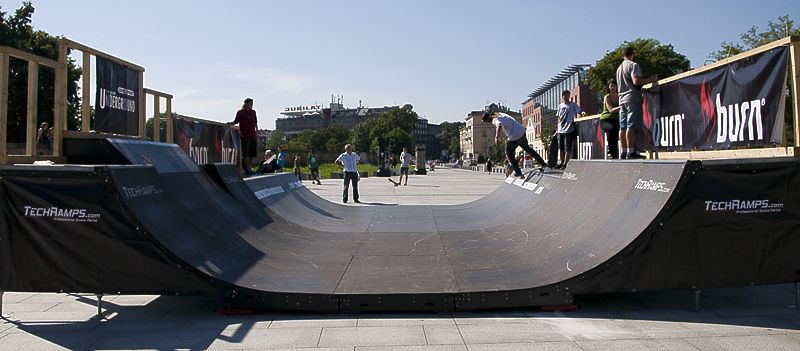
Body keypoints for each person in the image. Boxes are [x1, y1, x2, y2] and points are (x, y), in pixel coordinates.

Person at [616, 46, 658, 159]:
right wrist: (652, 79)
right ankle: (631, 151)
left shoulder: (619, 68)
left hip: (622, 100)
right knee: (631, 125)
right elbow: (636, 81)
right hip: (632, 98)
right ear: (632, 54)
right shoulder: (633, 65)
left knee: (623, 127)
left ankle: (623, 151)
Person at [482, 110, 547, 178]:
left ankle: (517, 171)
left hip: (514, 136)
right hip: (521, 132)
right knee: (528, 149)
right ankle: (543, 163)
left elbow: (499, 125)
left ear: (488, 119)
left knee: (508, 152)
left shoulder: (494, 119)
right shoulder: (501, 114)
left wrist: (496, 137)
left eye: (487, 121)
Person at [556, 90, 586, 169]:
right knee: (561, 148)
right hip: (560, 129)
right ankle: (561, 162)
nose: (566, 97)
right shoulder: (560, 106)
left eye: (568, 95)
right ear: (562, 97)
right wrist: (557, 129)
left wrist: (582, 113)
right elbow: (558, 118)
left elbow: (579, 110)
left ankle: (565, 163)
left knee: (567, 147)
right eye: (565, 95)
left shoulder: (572, 105)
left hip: (569, 129)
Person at [227, 98, 258, 174]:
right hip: (245, 135)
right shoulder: (240, 112)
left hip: (253, 134)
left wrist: (257, 130)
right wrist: (230, 123)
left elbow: (255, 122)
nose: (252, 105)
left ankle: (249, 166)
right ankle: (247, 168)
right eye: (250, 104)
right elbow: (236, 121)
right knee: (246, 152)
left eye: (252, 104)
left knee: (252, 152)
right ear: (246, 104)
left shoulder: (253, 112)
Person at [599, 79, 621, 159]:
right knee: (611, 129)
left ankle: (616, 153)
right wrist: (622, 107)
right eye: (611, 86)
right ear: (608, 87)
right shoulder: (607, 97)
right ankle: (610, 151)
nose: (613, 87)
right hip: (606, 120)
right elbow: (611, 110)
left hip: (616, 120)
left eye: (614, 85)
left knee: (619, 130)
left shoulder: (620, 96)